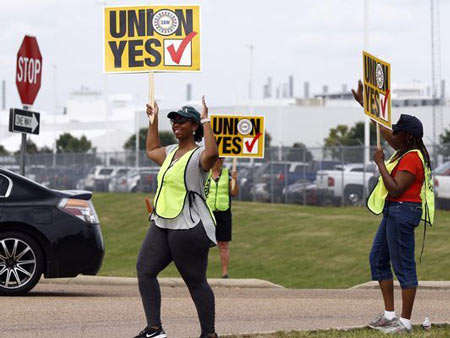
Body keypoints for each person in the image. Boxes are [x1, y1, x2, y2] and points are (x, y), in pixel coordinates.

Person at [352, 80, 435, 334]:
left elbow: (396, 188)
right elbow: (387, 134)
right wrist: (368, 107)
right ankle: (390, 315)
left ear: (407, 136)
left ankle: (405, 322)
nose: (393, 135)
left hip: (403, 212)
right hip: (393, 211)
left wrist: (379, 163)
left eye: (398, 132)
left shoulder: (412, 158)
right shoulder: (406, 149)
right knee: (378, 259)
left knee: (404, 267)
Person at [134, 97, 219, 338]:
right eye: (173, 121)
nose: (176, 124)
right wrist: (153, 120)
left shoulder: (199, 155)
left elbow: (213, 153)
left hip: (189, 226)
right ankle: (154, 329)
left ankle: (209, 334)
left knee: (195, 281)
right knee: (145, 269)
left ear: (194, 127)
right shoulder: (171, 152)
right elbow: (151, 149)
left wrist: (206, 118)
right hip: (162, 223)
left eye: (182, 121)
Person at [205, 158, 238, 278]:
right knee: (203, 243)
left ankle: (225, 273)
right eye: (217, 159)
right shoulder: (205, 174)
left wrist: (234, 179)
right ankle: (201, 271)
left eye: (221, 160)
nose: (219, 162)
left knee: (223, 244)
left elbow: (234, 193)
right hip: (207, 212)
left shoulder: (227, 174)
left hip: (223, 212)